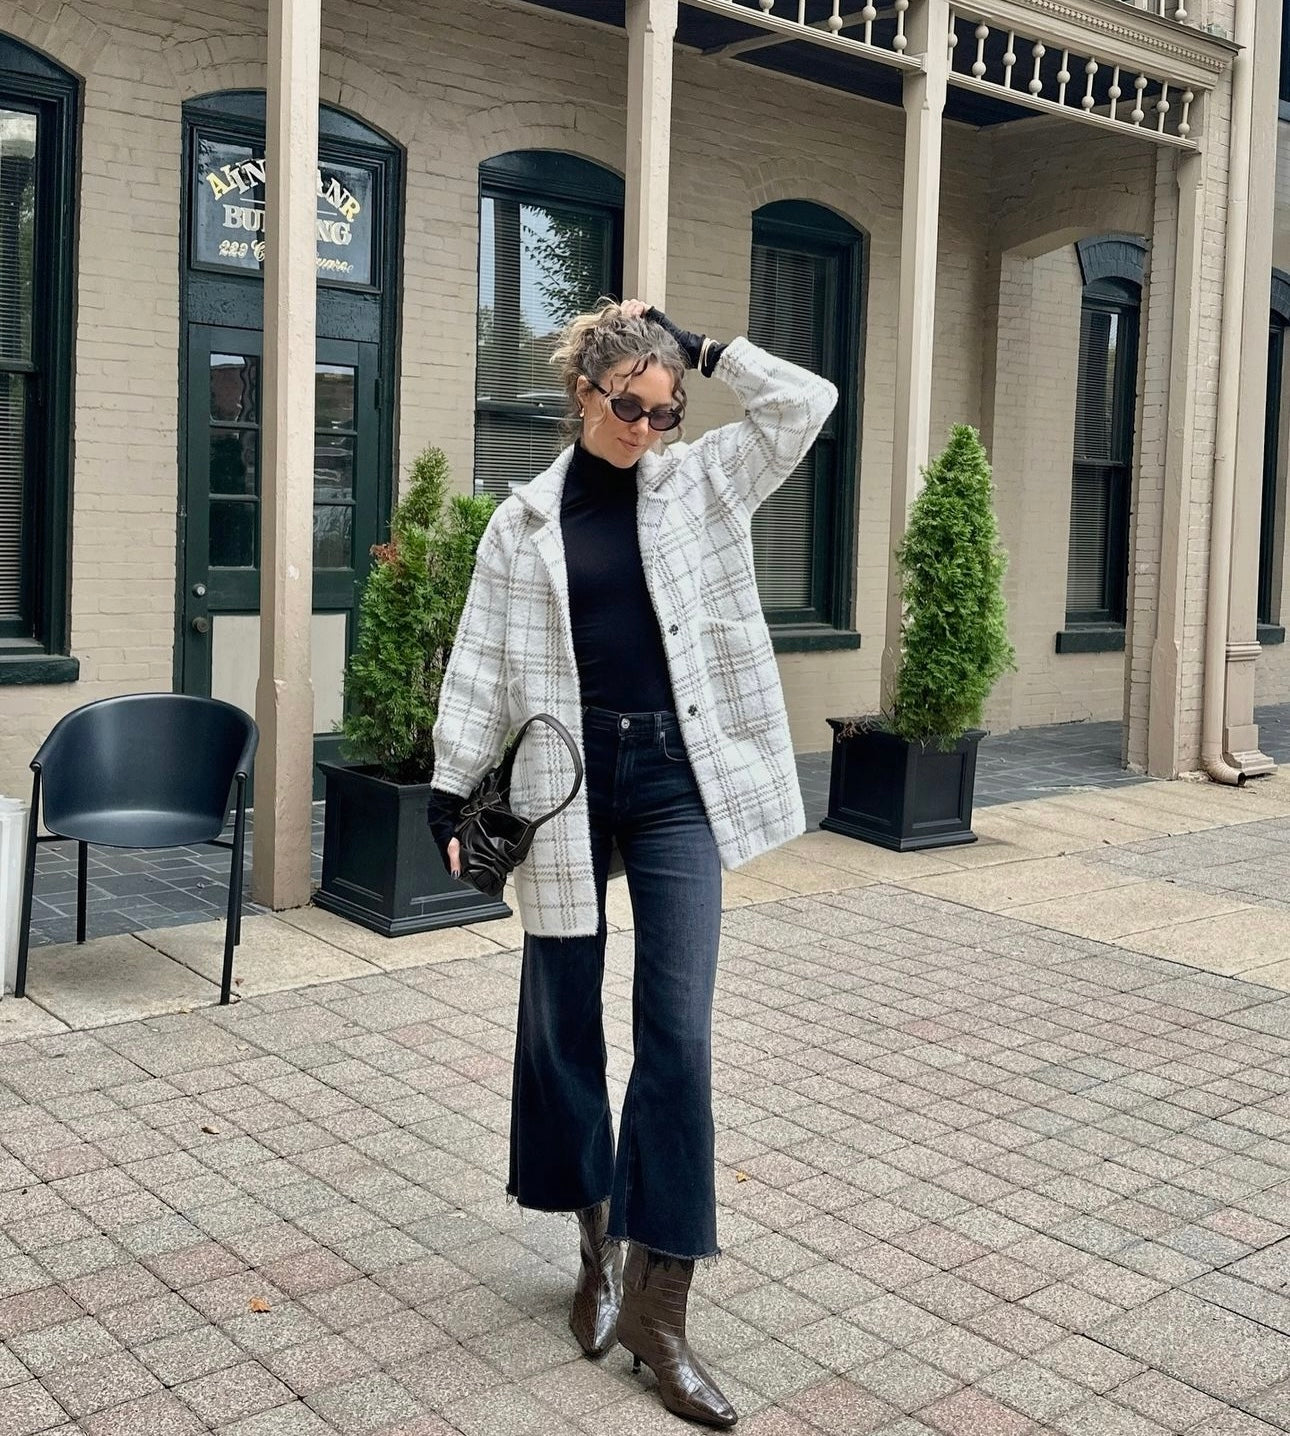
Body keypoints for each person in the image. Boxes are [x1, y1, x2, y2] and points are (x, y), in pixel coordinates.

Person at [427, 298, 836, 1428]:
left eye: (667, 408)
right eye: (630, 406)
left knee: (681, 1030)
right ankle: (596, 1246)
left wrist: (705, 347)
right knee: (562, 1007)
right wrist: (451, 786)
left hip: (674, 779)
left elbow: (808, 403)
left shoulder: (702, 481)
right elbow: (484, 662)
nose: (649, 427)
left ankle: (663, 1306)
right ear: (583, 395)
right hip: (567, 778)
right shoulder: (524, 523)